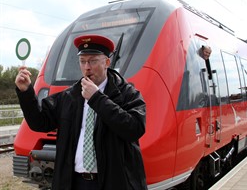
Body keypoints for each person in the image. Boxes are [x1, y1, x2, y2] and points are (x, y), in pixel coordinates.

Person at [15, 34, 148, 190]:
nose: (87, 67)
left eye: (92, 61)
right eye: (82, 61)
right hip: (74, 182)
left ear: (107, 62)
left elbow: (135, 128)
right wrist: (26, 92)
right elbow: (39, 122)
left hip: (112, 182)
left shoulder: (128, 94)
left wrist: (97, 98)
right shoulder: (69, 96)